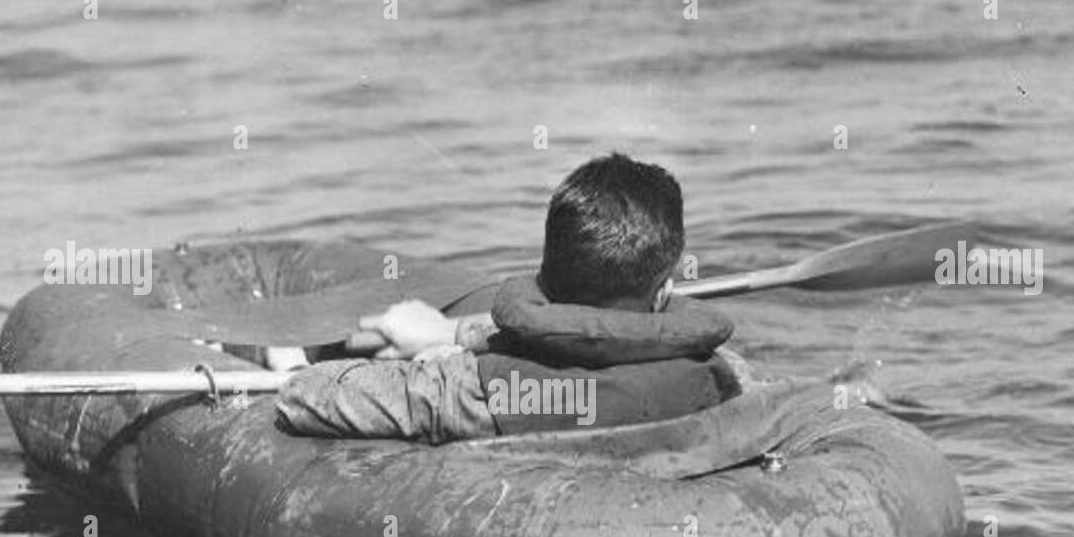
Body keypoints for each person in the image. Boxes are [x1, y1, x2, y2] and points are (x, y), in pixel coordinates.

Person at [274, 153, 746, 443]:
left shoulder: (474, 390)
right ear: (664, 292)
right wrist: (458, 336)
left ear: (545, 283)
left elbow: (307, 399)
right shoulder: (722, 375)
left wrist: (293, 373)